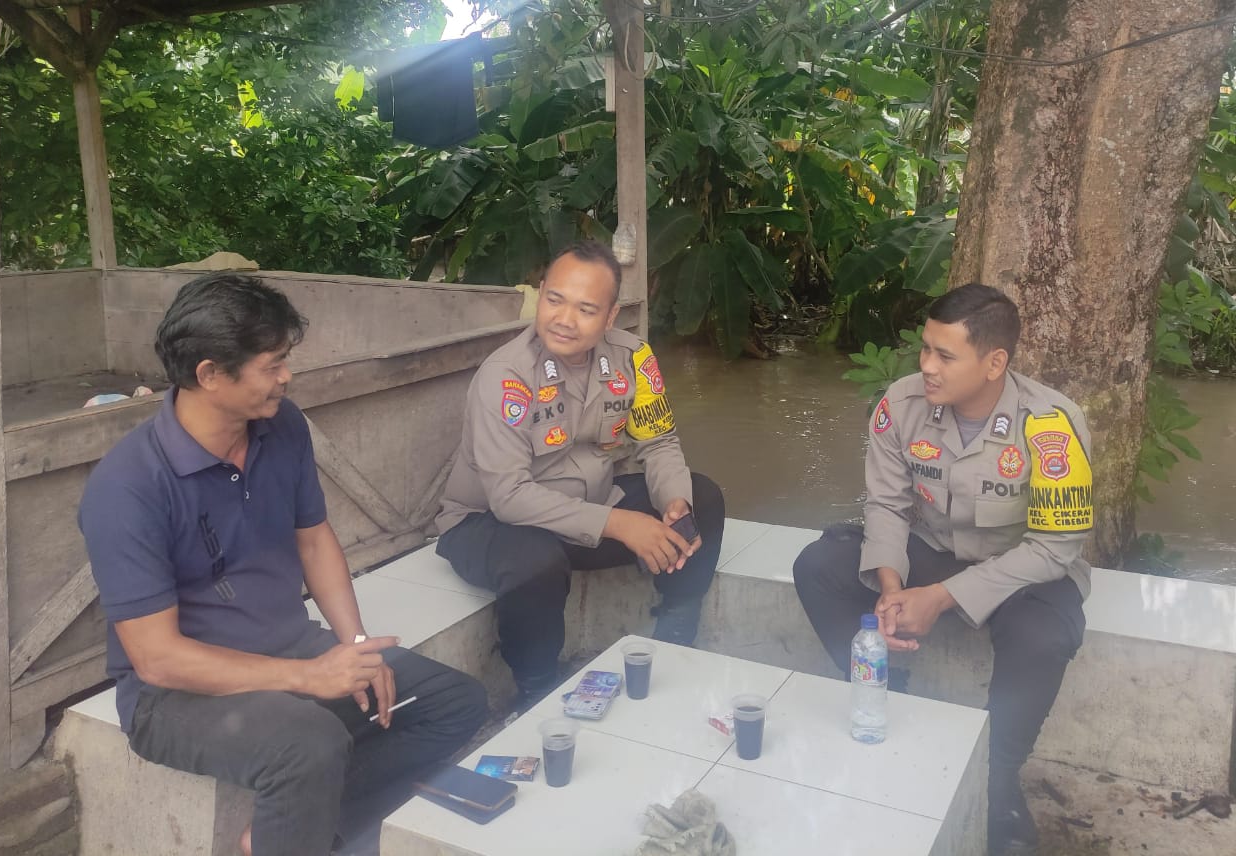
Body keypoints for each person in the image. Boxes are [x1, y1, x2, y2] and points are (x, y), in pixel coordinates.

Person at [78, 274, 488, 856]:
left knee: (454, 703)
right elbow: (158, 660)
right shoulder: (128, 487)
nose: (286, 376)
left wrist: (356, 646)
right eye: (271, 365)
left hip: (289, 646)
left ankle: (287, 831)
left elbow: (314, 540)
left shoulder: (282, 425)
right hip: (173, 697)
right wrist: (308, 677)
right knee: (310, 744)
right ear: (210, 374)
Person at [792, 284, 1091, 856]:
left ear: (994, 363)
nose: (927, 366)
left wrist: (942, 596)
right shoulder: (901, 405)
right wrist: (891, 588)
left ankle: (998, 778)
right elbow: (886, 506)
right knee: (819, 566)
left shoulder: (1052, 424)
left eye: (945, 355)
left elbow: (1055, 546)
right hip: (931, 549)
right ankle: (885, 697)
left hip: (1017, 569)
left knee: (1046, 634)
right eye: (926, 349)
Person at [436, 240, 725, 708]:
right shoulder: (506, 375)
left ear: (610, 317)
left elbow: (659, 442)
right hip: (489, 524)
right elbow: (509, 496)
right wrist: (619, 523)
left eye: (586, 309)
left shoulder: (634, 358)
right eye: (554, 300)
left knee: (702, 499)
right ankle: (536, 689)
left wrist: (674, 502)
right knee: (535, 561)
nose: (564, 319)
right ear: (540, 294)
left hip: (588, 508)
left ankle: (676, 632)